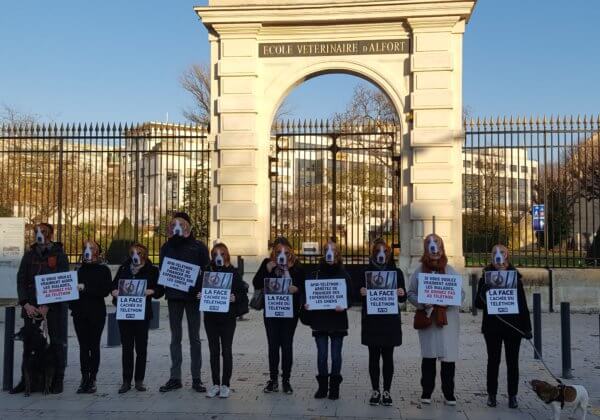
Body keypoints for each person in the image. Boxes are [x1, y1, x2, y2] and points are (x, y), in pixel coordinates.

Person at [12, 223, 69, 394]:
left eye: (42, 232)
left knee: (56, 342)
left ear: (50, 234)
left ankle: (57, 380)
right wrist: (25, 304)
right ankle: (26, 381)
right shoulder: (29, 255)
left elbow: (63, 280)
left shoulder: (59, 254)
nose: (39, 234)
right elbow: (21, 279)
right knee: (29, 345)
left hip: (53, 308)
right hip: (31, 306)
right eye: (36, 231)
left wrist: (47, 305)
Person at [407, 233, 465, 406]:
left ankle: (449, 393)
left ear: (442, 248)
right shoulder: (418, 272)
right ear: (426, 249)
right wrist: (422, 303)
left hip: (448, 321)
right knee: (429, 357)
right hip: (428, 320)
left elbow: (461, 294)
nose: (435, 250)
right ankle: (427, 392)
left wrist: (449, 300)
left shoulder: (451, 270)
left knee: (448, 359)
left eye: (437, 245)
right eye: (431, 246)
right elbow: (411, 293)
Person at [475, 244, 532, 409]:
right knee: (493, 361)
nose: (498, 256)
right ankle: (491, 395)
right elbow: (478, 304)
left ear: (507, 256)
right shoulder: (485, 277)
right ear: (491, 257)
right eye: (495, 253)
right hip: (492, 328)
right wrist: (483, 291)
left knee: (512, 362)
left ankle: (512, 395)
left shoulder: (515, 278)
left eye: (502, 253)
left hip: (513, 327)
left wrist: (527, 328)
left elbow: (522, 305)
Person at [158, 212, 210, 393]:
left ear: (188, 226)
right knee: (175, 338)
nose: (177, 227)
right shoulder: (166, 247)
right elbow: (163, 271)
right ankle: (175, 377)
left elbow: (207, 270)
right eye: (174, 225)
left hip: (193, 298)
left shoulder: (199, 247)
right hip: (174, 297)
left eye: (181, 224)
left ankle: (196, 378)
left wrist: (202, 290)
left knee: (195, 338)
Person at [252, 237, 305, 394]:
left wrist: (296, 288)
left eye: (285, 252)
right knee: (273, 346)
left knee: (287, 345)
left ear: (290, 252)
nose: (282, 254)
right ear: (273, 252)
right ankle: (273, 379)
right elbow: (256, 283)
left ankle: (286, 380)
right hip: (272, 311)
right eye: (278, 252)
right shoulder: (267, 263)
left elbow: (304, 285)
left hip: (290, 313)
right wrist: (268, 268)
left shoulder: (297, 266)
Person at [359, 238, 407, 406]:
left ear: (389, 254)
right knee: (373, 357)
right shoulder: (366, 272)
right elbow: (357, 298)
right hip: (372, 321)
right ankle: (375, 390)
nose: (381, 255)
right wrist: (361, 292)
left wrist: (401, 293)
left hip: (390, 322)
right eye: (378, 251)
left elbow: (403, 298)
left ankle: (386, 391)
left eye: (384, 251)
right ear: (373, 254)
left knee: (388, 357)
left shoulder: (397, 272)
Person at [302, 240, 351, 400]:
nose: (330, 253)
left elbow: (351, 297)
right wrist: (307, 304)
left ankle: (334, 388)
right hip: (320, 320)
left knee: (336, 356)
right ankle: (323, 387)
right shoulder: (315, 273)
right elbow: (307, 294)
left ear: (338, 253)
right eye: (327, 250)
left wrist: (344, 306)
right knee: (322, 355)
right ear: (323, 253)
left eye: (333, 250)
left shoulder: (343, 274)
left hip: (337, 321)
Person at [111, 243, 164, 393]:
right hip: (125, 313)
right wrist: (114, 291)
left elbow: (160, 290)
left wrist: (151, 291)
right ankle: (126, 381)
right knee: (127, 348)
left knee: (141, 348)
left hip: (142, 315)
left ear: (145, 255)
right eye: (133, 253)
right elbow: (114, 285)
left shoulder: (152, 270)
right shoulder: (123, 268)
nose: (136, 255)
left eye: (139, 253)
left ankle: (139, 380)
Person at [198, 243, 248, 399]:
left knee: (226, 351)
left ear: (227, 255)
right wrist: (199, 294)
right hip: (210, 317)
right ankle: (215, 384)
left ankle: (225, 384)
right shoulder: (207, 271)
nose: (218, 258)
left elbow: (243, 293)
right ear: (212, 257)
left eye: (222, 254)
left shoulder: (233, 272)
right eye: (215, 255)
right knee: (214, 352)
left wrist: (235, 297)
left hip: (227, 318)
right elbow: (197, 288)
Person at [70, 240, 113, 393]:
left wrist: (85, 289)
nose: (88, 250)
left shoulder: (103, 270)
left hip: (96, 314)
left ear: (97, 251)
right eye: (86, 248)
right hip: (80, 314)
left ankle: (93, 378)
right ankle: (84, 377)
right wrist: (72, 306)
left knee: (94, 346)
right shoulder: (77, 270)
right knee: (83, 346)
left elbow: (104, 291)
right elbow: (71, 292)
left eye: (92, 248)